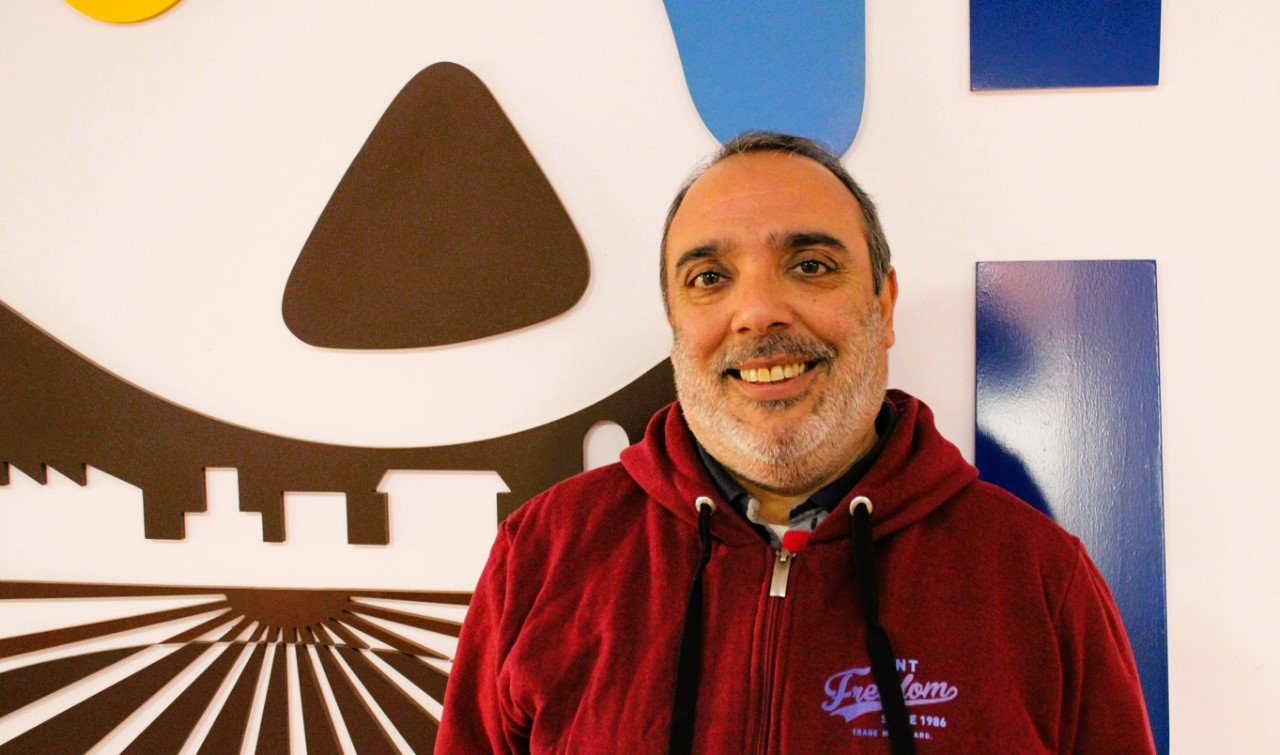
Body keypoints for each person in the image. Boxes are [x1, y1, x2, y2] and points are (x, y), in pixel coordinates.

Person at [437, 133, 1154, 753]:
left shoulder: (1036, 578)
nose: (757, 312)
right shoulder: (543, 556)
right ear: (676, 325)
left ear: (884, 304)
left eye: (810, 265)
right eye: (710, 278)